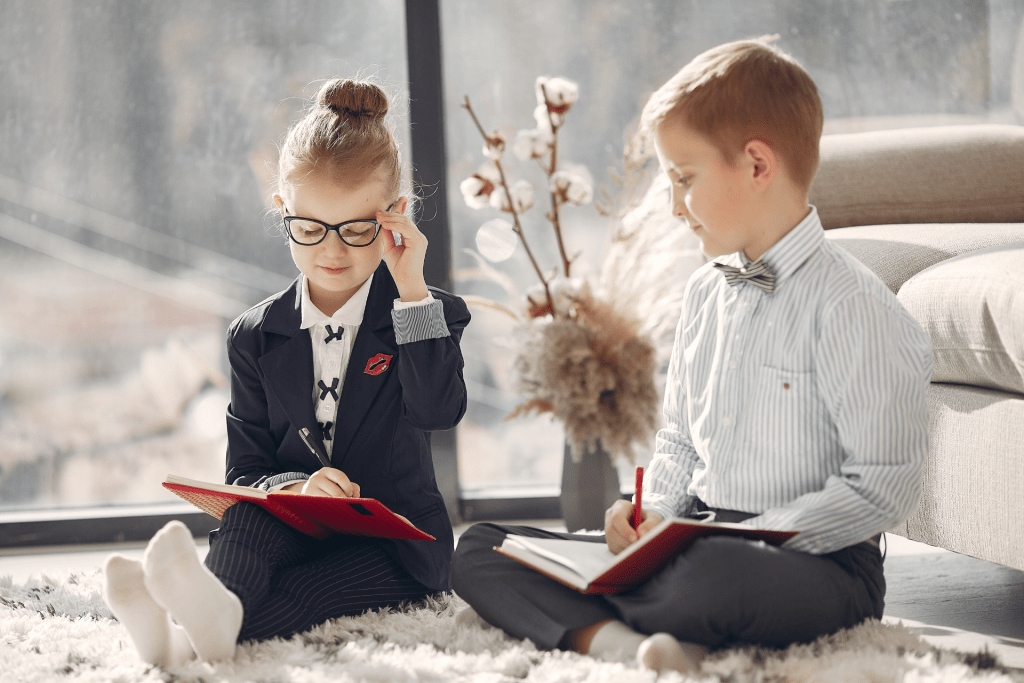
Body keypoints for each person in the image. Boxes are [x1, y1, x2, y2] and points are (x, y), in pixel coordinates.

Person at [451, 37, 933, 676]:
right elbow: (679, 443)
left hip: (814, 562)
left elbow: (882, 485)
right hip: (694, 540)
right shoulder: (706, 292)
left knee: (714, 574)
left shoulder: (854, 308)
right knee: (481, 549)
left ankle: (583, 616)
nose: (675, 206)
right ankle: (625, 643)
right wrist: (652, 516)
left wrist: (743, 535)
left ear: (758, 164)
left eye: (683, 179)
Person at [103, 78, 470, 666]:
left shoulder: (425, 311)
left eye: (356, 229)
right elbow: (246, 469)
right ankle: (191, 622)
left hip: (395, 545)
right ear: (282, 210)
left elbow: (437, 412)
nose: (333, 251)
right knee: (246, 526)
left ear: (394, 216)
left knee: (309, 592)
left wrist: (410, 290)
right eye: (309, 228)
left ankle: (173, 637)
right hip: (294, 522)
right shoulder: (254, 335)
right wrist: (293, 488)